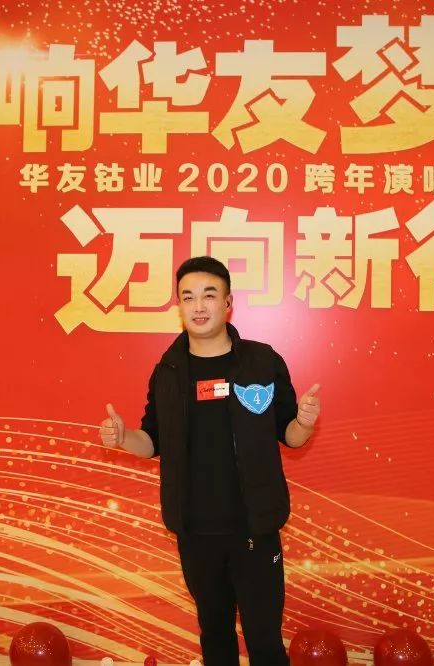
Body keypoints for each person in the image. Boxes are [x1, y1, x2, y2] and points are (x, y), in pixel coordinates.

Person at [99, 256, 320, 666]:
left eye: (209, 295)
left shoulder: (262, 361)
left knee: (264, 640)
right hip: (196, 531)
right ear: (179, 307)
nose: (198, 306)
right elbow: (152, 441)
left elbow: (290, 435)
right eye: (188, 297)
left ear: (228, 303)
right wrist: (123, 437)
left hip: (254, 527)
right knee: (215, 636)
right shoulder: (168, 371)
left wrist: (304, 423)